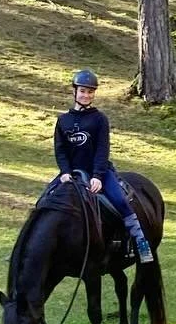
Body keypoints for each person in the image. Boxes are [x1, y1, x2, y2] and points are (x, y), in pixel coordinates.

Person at [53, 70, 153, 263]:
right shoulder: (63, 121)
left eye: (90, 92)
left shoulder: (99, 119)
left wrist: (98, 176)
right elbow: (60, 150)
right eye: (83, 91)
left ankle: (140, 243)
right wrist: (65, 173)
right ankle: (27, 246)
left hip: (98, 172)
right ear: (74, 91)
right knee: (44, 201)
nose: (86, 95)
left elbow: (102, 149)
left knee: (121, 202)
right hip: (71, 174)